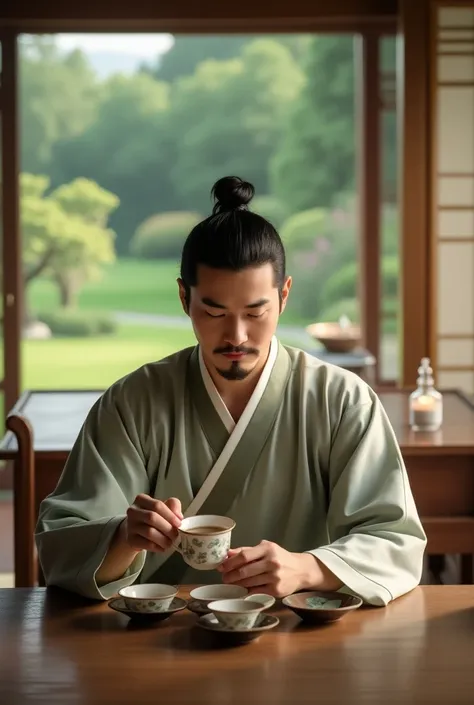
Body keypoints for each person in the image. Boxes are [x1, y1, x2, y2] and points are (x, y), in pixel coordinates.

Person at [35, 176, 426, 606]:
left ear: (285, 295)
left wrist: (306, 568)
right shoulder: (133, 402)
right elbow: (62, 543)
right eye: (214, 311)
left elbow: (395, 539)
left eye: (256, 311)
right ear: (184, 297)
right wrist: (124, 538)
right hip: (156, 636)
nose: (236, 335)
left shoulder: (342, 401)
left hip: (297, 634)